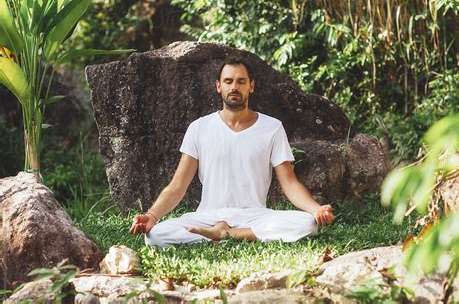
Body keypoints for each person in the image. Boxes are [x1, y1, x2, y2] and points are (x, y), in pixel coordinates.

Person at [129, 55, 334, 247]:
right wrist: (152, 216)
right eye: (228, 81)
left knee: (307, 224)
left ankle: (229, 235)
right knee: (155, 234)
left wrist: (315, 209)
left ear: (251, 86)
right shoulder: (199, 128)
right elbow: (178, 185)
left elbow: (289, 183)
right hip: (209, 216)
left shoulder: (272, 127)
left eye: (241, 81)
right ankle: (229, 233)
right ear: (219, 86)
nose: (234, 87)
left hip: (254, 214)